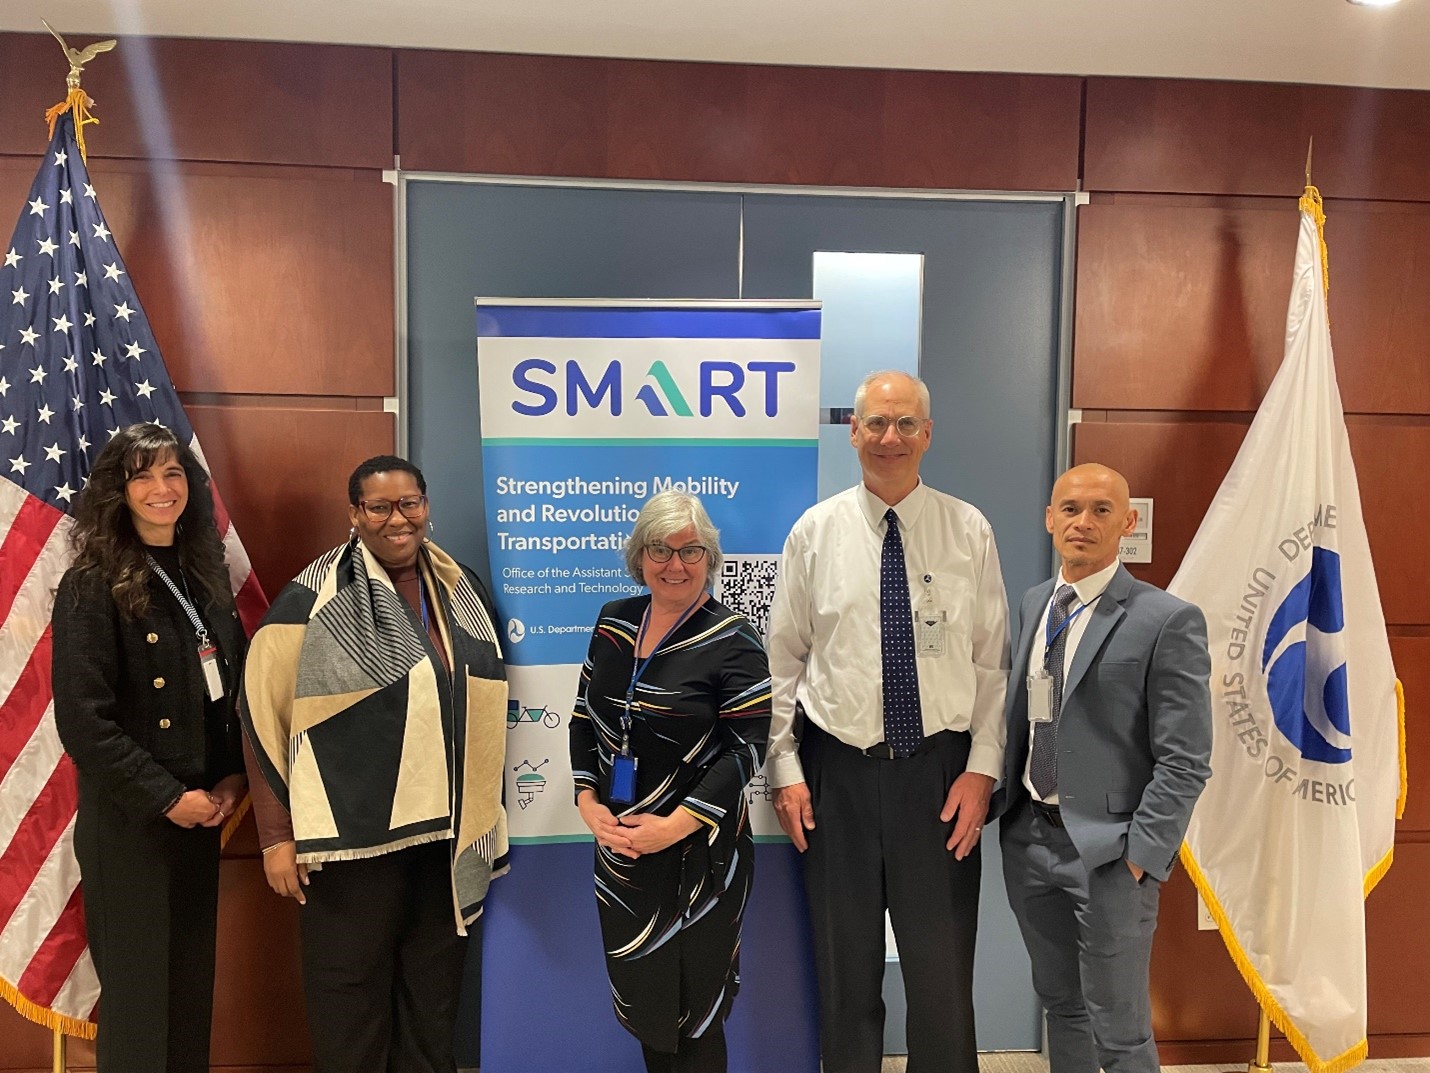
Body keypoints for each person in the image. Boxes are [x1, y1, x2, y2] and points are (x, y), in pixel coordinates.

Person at [765, 370, 1009, 1073]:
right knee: (846, 978)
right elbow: (783, 662)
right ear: (854, 431)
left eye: (905, 423)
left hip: (940, 777)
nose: (890, 437)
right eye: (877, 422)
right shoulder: (815, 533)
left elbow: (993, 662)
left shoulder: (968, 529)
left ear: (928, 434)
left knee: (941, 984)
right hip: (835, 774)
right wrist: (785, 772)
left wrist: (981, 771)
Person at [240, 455, 509, 1073]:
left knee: (432, 997)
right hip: (351, 842)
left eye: (409, 503)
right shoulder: (312, 597)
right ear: (354, 515)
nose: (398, 519)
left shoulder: (458, 587)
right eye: (380, 507)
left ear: (426, 506)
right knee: (350, 1000)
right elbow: (259, 710)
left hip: (443, 837)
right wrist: (275, 836)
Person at [997, 463, 1212, 1073]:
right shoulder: (1037, 602)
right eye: (1070, 509)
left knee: (1118, 1025)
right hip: (1030, 838)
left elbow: (1187, 758)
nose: (1083, 523)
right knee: (1062, 1006)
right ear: (1048, 519)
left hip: (1113, 855)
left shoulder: (1165, 619)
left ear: (1128, 521)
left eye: (1100, 510)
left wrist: (1143, 854)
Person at [52, 422, 247, 1072]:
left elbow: (227, 689)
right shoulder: (92, 582)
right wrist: (168, 797)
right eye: (143, 474)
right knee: (140, 1013)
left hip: (199, 816)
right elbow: (85, 722)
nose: (162, 488)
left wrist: (229, 779)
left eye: (172, 473)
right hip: (133, 825)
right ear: (119, 488)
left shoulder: (204, 573)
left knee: (188, 1002)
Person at [571, 491, 770, 1073]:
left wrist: (676, 826)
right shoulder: (614, 623)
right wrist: (587, 802)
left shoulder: (735, 637)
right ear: (640, 555)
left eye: (690, 550)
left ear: (709, 557)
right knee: (648, 1013)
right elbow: (585, 717)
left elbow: (747, 750)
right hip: (623, 854)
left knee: (698, 1017)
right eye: (660, 548)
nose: (675, 564)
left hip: (700, 859)